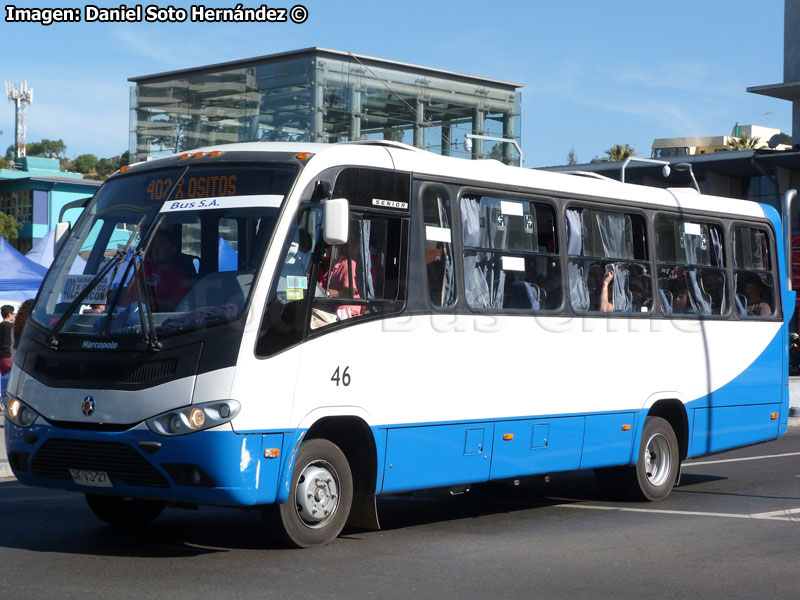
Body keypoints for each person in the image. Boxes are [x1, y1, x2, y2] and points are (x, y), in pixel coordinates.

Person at [142, 228, 196, 312]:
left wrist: (148, 301)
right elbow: (131, 291)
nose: (155, 249)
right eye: (154, 245)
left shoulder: (178, 276)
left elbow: (176, 305)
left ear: (172, 250)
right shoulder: (145, 268)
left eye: (160, 245)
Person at [1, 305, 15, 404]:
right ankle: (6, 401)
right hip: (8, 355)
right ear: (9, 314)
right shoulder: (11, 327)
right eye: (13, 313)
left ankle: (3, 400)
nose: (14, 315)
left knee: (4, 377)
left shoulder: (0, 325)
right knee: (10, 378)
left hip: (1, 356)